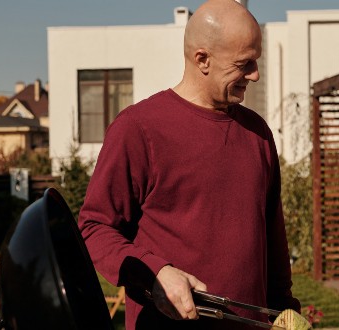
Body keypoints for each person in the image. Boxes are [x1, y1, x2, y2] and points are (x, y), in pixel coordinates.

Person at [78, 1, 300, 329]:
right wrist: (154, 272)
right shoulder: (138, 128)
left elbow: (272, 241)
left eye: (257, 60)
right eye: (244, 63)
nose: (255, 74)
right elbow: (95, 228)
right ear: (202, 59)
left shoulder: (258, 133)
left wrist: (285, 309)